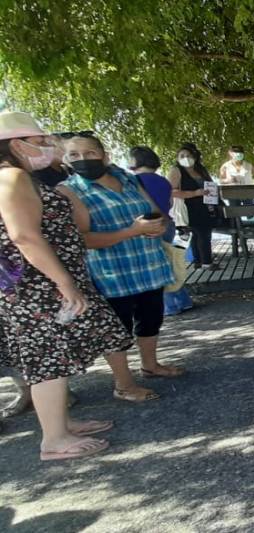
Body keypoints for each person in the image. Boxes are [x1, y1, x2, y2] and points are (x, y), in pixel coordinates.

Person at [0, 112, 131, 459]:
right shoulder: (11, 177)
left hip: (40, 283)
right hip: (37, 287)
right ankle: (54, 440)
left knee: (55, 355)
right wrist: (64, 282)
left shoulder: (19, 177)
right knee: (48, 359)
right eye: (41, 141)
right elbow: (24, 236)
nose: (48, 147)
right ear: (17, 145)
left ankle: (61, 423)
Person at [58, 132, 185, 403]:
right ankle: (124, 384)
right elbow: (82, 238)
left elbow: (156, 212)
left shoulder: (128, 178)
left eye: (89, 153)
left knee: (151, 318)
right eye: (74, 155)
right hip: (111, 272)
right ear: (65, 160)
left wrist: (157, 226)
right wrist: (132, 231)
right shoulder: (69, 190)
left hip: (148, 265)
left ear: (104, 154)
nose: (83, 159)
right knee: (118, 328)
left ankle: (150, 365)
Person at [129, 146, 194, 315]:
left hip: (148, 226)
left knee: (157, 266)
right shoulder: (163, 181)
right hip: (167, 223)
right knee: (169, 261)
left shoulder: (133, 182)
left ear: (136, 161)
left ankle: (170, 305)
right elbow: (170, 204)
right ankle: (183, 300)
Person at [167, 143, 219, 270]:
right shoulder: (176, 170)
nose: (185, 158)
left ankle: (198, 261)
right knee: (203, 233)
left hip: (205, 205)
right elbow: (171, 191)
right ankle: (207, 262)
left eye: (188, 155)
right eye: (182, 156)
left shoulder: (201, 169)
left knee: (198, 234)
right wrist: (194, 193)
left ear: (194, 156)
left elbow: (210, 183)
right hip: (188, 205)